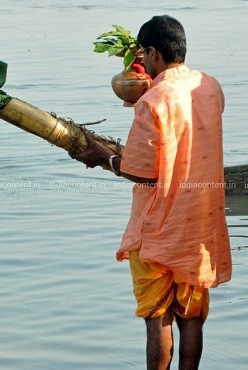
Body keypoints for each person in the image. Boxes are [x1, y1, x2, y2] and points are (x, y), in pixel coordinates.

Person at [70, 15, 231, 370]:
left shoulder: (153, 100)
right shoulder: (210, 85)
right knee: (191, 315)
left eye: (144, 53)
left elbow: (138, 173)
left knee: (157, 315)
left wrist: (102, 157)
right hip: (199, 219)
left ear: (153, 53)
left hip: (158, 225)